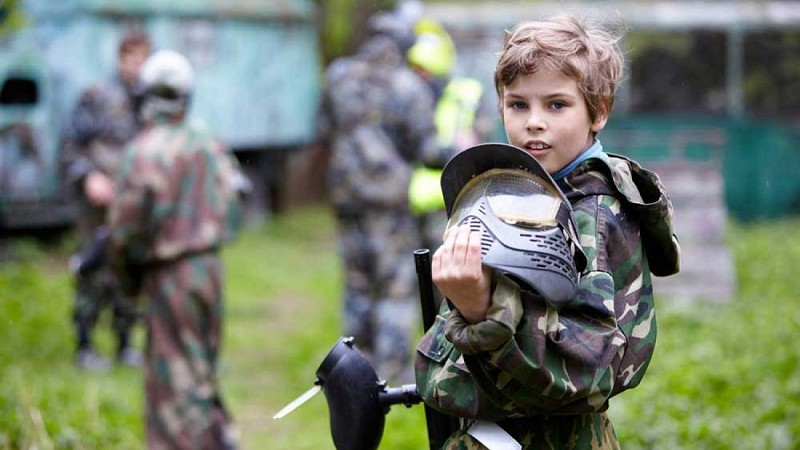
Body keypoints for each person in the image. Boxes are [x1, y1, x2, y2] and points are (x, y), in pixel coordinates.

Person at [415, 15, 681, 449]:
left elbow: (585, 369)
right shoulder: (528, 194)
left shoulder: (591, 214)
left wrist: (482, 308)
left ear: (599, 111)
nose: (534, 122)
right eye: (518, 105)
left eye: (557, 105)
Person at [107, 49, 242, 450]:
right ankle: (217, 438)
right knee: (201, 372)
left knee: (171, 388)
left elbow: (124, 232)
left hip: (169, 275)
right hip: (209, 269)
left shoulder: (142, 151)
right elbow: (234, 204)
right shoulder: (208, 143)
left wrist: (128, 282)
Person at [319, 11, 453, 383]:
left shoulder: (338, 77)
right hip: (389, 201)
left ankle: (354, 370)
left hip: (346, 195)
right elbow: (427, 150)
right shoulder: (407, 86)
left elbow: (325, 126)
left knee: (357, 284)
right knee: (394, 287)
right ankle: (390, 372)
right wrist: (459, 154)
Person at [61, 29, 151, 371]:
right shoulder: (97, 96)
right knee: (92, 270)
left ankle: (125, 344)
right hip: (97, 204)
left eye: (143, 59)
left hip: (130, 205)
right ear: (120, 59)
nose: (137, 66)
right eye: (131, 58)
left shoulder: (150, 102)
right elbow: (70, 146)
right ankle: (84, 346)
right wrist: (89, 176)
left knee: (128, 271)